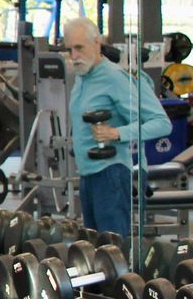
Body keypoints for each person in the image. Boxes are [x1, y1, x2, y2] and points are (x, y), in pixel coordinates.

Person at [62, 16, 168, 238]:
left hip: (110, 175)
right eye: (69, 49)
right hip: (87, 175)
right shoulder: (83, 77)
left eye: (79, 48)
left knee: (113, 253)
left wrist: (116, 133)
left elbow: (161, 123)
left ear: (97, 43)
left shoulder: (115, 78)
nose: (74, 56)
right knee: (93, 251)